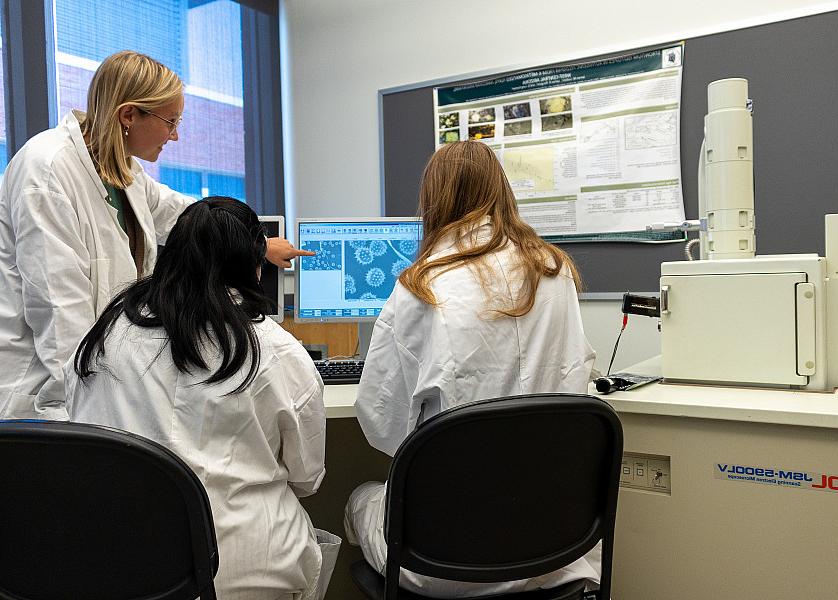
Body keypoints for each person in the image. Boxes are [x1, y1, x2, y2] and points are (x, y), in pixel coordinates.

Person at [345, 140, 599, 597]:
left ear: (433, 201)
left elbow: (382, 426)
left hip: (446, 563)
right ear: (501, 191)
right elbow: (576, 380)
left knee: (359, 498)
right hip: (555, 550)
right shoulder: (555, 272)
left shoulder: (422, 287)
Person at [0, 50, 304, 420]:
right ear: (129, 115)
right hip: (47, 395)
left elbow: (182, 214)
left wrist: (256, 245)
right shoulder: (46, 172)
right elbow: (59, 315)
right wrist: (92, 414)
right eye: (171, 121)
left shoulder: (121, 168)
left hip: (101, 380)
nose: (175, 135)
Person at [66, 196, 339, 600]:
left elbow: (81, 426)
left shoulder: (106, 336)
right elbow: (306, 476)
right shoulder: (274, 350)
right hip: (247, 569)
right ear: (253, 268)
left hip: (126, 566)